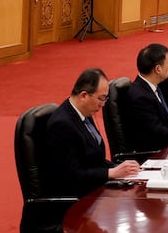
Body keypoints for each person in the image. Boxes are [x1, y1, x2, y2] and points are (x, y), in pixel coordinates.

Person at [44, 68, 140, 197]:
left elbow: (94, 158)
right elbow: (70, 175)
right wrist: (110, 173)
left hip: (93, 186)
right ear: (84, 95)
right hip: (76, 196)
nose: (103, 105)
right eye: (101, 98)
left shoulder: (84, 112)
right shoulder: (62, 124)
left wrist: (121, 168)